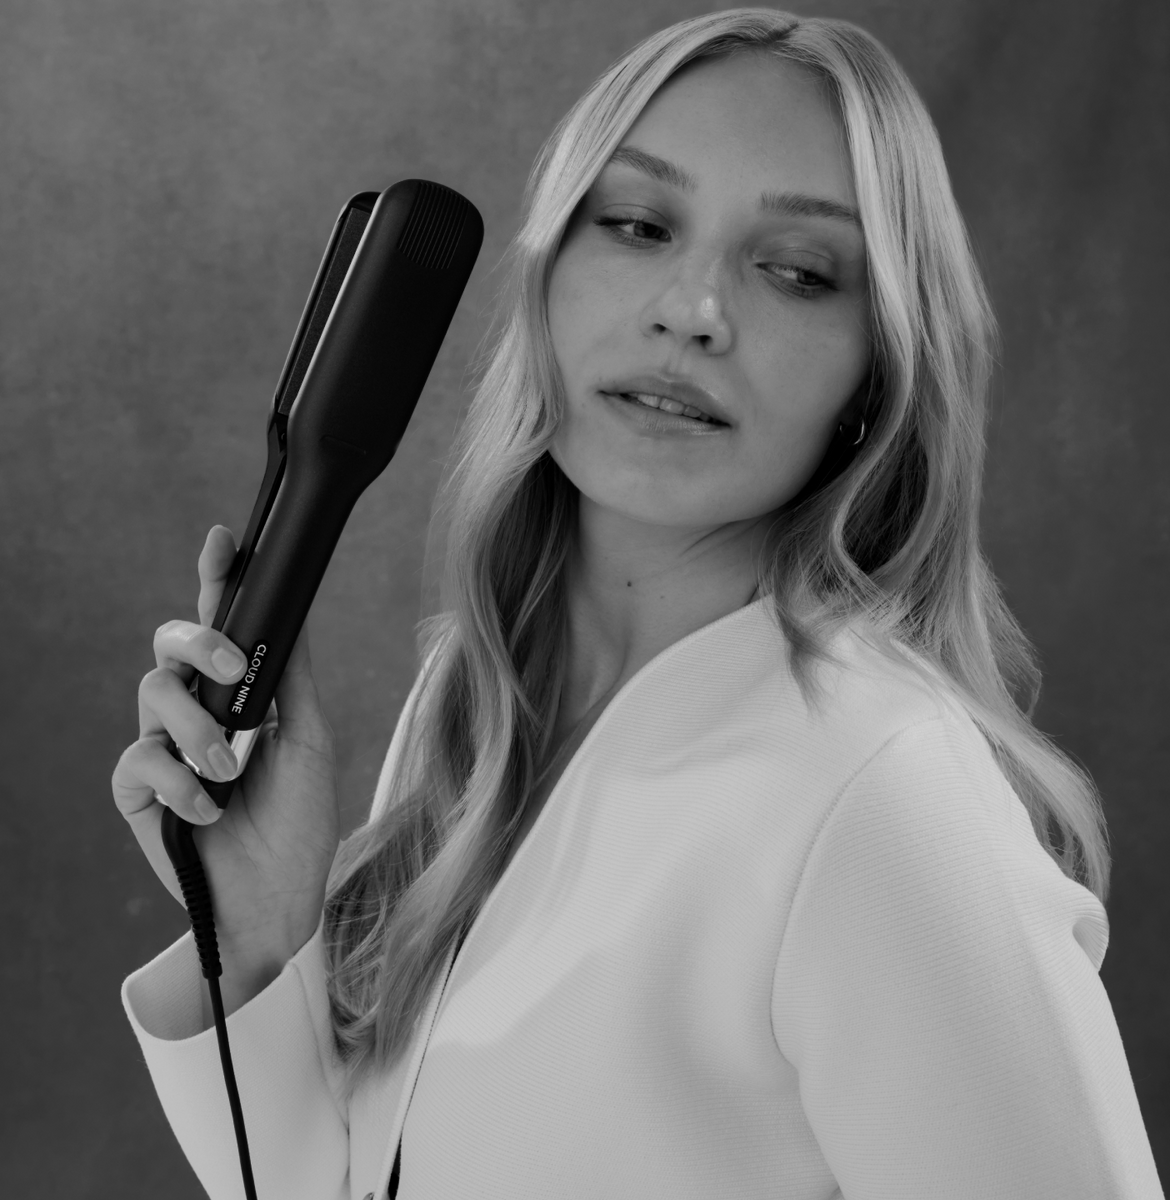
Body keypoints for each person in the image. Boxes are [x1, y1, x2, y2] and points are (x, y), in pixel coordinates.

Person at [112, 8, 1164, 1200]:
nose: (693, 308)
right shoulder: (477, 708)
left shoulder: (883, 799)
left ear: (876, 374)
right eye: (637, 225)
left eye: (798, 271)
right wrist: (259, 937)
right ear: (546, 283)